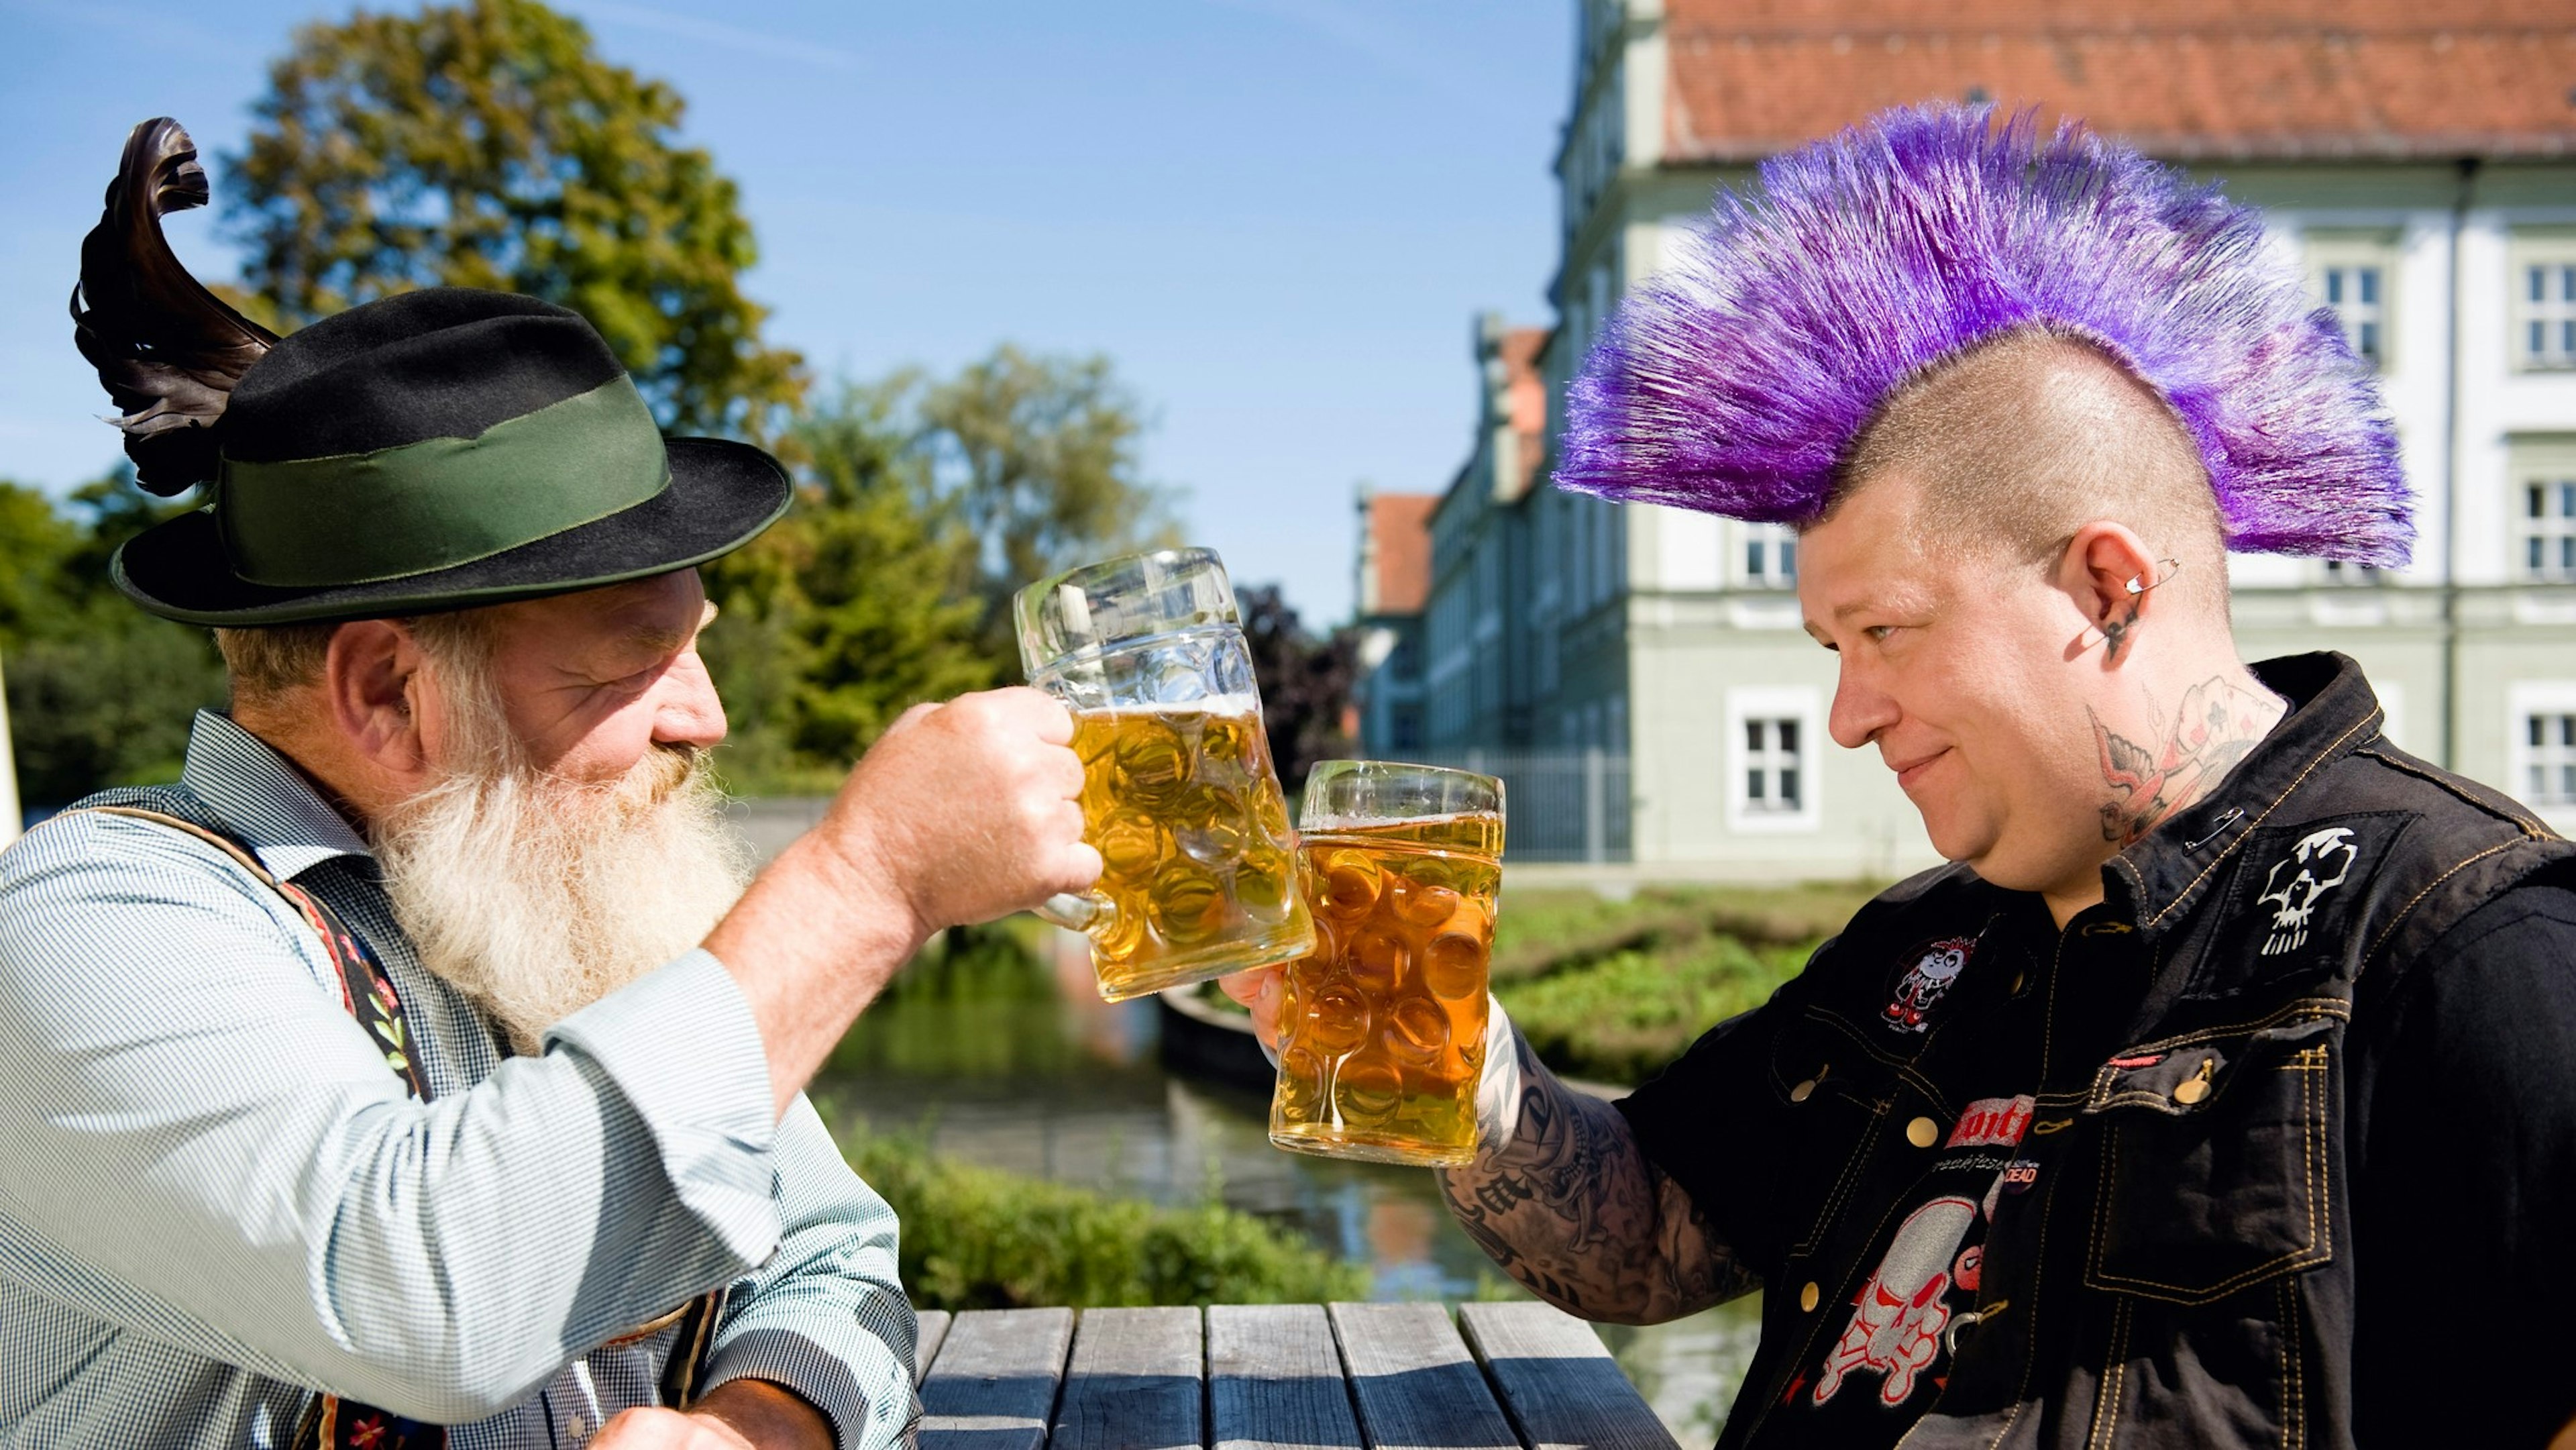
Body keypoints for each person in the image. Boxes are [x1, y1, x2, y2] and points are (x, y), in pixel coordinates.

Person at [1230, 105, 2576, 1447]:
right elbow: (1650, 1234)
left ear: (2103, 584)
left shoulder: (2463, 948)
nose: (1846, 716)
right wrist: (1452, 1055)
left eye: (1885, 632)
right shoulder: (1920, 947)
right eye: (1832, 647)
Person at [0, 120, 1097, 1449]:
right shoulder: (95, 925)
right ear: (385, 693)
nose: (710, 718)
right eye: (636, 663)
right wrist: (867, 881)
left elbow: (834, 1254)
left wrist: (760, 1426)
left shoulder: (570, 893)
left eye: (699, 645)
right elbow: (422, 1304)